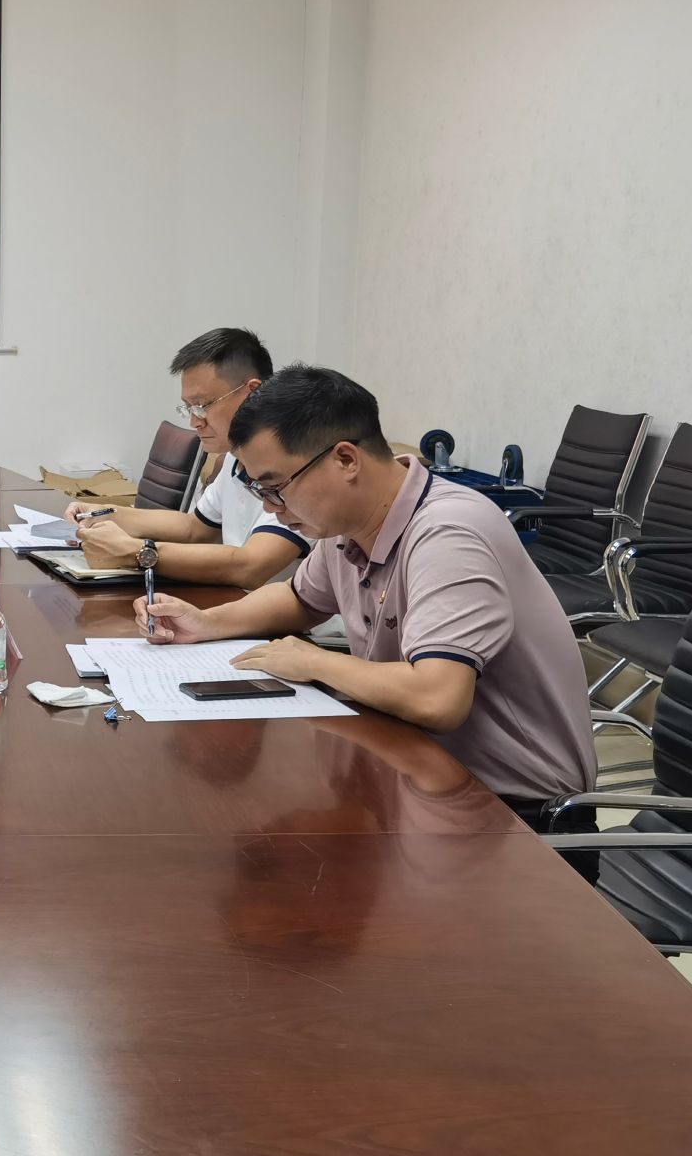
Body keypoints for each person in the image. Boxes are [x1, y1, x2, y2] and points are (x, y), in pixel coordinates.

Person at [134, 365, 596, 822]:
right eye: (260, 491)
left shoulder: (448, 533)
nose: (272, 509)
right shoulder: (348, 525)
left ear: (345, 460)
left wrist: (314, 662)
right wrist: (207, 622)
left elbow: (437, 698)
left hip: (513, 813)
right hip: (414, 771)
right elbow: (299, 599)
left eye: (276, 488)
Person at [72, 328, 307, 586]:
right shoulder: (234, 458)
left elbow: (252, 566)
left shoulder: (296, 468)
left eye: (203, 405)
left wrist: (137, 551)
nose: (195, 421)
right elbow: (194, 528)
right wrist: (105, 513)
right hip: (232, 600)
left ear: (251, 393)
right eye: (189, 408)